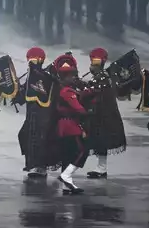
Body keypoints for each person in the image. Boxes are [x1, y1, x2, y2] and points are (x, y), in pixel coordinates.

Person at [84, 48, 126, 179]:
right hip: (100, 114)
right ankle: (101, 168)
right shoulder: (102, 76)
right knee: (100, 142)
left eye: (95, 63)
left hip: (103, 115)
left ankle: (101, 169)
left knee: (101, 141)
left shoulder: (101, 77)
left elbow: (91, 93)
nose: (92, 66)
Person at [55, 54, 89, 194]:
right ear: (66, 77)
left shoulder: (64, 89)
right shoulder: (67, 91)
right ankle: (66, 175)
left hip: (63, 126)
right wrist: (89, 111)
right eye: (71, 76)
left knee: (67, 155)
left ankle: (66, 185)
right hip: (70, 126)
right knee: (83, 151)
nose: (74, 78)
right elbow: (78, 108)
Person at [15, 47, 49, 178]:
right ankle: (31, 164)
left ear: (40, 60)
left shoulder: (45, 77)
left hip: (43, 116)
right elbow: (23, 97)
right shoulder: (30, 77)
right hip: (31, 115)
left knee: (40, 140)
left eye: (34, 60)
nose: (31, 62)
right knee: (25, 136)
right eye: (30, 60)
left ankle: (41, 167)